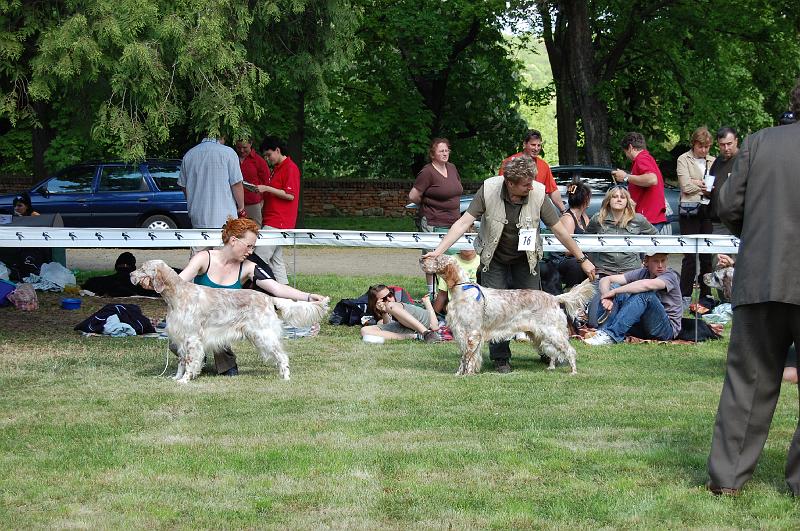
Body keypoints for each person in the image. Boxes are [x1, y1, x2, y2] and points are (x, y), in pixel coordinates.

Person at [706, 78, 800, 497]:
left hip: (760, 274)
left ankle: (727, 480)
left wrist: (758, 236)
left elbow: (726, 205)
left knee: (748, 379)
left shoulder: (760, 142)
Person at [423, 155, 596, 373]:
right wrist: (437, 253)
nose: (531, 186)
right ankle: (501, 358)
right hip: (494, 258)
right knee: (493, 310)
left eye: (532, 181)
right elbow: (463, 223)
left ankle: (548, 352)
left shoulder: (539, 194)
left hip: (526, 259)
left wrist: (582, 258)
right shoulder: (488, 190)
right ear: (510, 183)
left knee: (536, 306)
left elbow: (559, 230)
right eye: (526, 184)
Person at [177, 217, 325, 376]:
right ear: (233, 240)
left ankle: (224, 361)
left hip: (226, 325)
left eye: (253, 247)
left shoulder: (248, 267)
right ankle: (198, 357)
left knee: (229, 364)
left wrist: (307, 297)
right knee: (176, 340)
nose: (251, 251)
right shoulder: (204, 258)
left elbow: (276, 288)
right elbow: (177, 283)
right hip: (198, 321)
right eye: (249, 246)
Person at [584, 252, 682, 345]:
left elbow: (646, 285)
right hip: (643, 325)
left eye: (663, 260)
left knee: (644, 295)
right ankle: (603, 332)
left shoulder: (670, 276)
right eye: (656, 261)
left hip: (666, 330)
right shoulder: (643, 272)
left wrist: (614, 292)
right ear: (646, 262)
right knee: (616, 289)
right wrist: (607, 296)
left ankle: (612, 335)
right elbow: (606, 279)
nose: (660, 265)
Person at [408, 138, 464, 296]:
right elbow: (413, 196)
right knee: (432, 259)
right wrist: (426, 203)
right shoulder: (427, 172)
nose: (445, 153)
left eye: (447, 150)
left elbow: (457, 189)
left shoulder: (452, 168)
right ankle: (432, 294)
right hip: (433, 221)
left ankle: (451, 292)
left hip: (454, 222)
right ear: (433, 154)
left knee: (452, 259)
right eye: (441, 151)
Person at [676, 126, 716, 307]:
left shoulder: (713, 161)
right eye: (701, 146)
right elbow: (685, 186)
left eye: (707, 147)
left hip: (707, 211)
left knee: (707, 256)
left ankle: (706, 295)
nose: (704, 150)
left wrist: (695, 183)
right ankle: (685, 295)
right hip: (689, 211)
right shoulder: (683, 159)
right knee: (690, 256)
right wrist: (702, 185)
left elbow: (717, 186)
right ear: (694, 144)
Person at [178, 136, 245, 237]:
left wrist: (193, 201)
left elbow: (183, 185)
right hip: (225, 218)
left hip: (198, 217)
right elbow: (236, 183)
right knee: (223, 251)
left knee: (200, 252)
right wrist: (241, 206)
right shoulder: (228, 153)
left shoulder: (189, 154)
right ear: (222, 136)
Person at [255, 136, 300, 285]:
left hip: (278, 221)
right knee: (276, 261)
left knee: (258, 259)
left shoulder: (290, 167)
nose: (267, 159)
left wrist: (267, 188)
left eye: (269, 155)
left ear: (278, 150)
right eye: (265, 156)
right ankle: (285, 295)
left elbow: (290, 195)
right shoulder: (277, 169)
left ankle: (261, 290)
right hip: (272, 219)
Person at [586, 185, 658, 276]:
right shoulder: (598, 218)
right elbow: (586, 240)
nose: (619, 199)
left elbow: (656, 236)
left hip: (632, 270)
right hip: (604, 270)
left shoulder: (638, 219)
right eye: (615, 196)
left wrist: (647, 259)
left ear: (627, 201)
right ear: (608, 200)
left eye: (623, 197)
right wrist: (592, 261)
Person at [611, 132, 670, 234]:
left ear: (630, 147)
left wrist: (625, 177)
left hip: (648, 219)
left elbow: (652, 179)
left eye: (625, 151)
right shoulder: (647, 158)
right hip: (651, 217)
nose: (626, 155)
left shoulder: (641, 159)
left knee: (641, 249)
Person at [498, 129, 565, 212]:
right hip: (512, 209)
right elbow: (500, 188)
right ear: (524, 144)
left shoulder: (543, 166)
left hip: (536, 211)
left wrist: (564, 210)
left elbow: (552, 191)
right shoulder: (509, 163)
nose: (536, 148)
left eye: (539, 145)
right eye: (533, 145)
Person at [360, 285, 440, 343]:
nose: (389, 299)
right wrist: (384, 312)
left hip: (423, 323)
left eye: (390, 295)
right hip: (409, 329)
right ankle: (416, 337)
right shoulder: (385, 312)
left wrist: (427, 303)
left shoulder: (398, 305)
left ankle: (426, 333)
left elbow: (434, 325)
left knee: (391, 305)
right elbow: (390, 326)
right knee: (364, 330)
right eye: (384, 299)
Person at [553, 180, 592, 289]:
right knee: (577, 265)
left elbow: (590, 236)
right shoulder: (568, 219)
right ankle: (573, 291)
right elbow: (567, 250)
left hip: (579, 255)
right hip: (563, 259)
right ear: (585, 200)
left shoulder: (584, 216)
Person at [708, 127, 739, 235]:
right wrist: (707, 190)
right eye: (722, 144)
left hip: (739, 222)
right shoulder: (717, 161)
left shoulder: (744, 161)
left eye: (729, 143)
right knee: (720, 252)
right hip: (718, 222)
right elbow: (710, 186)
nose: (726, 148)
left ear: (736, 141)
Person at [432, 248, 480, 314]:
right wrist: (433, 316)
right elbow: (442, 294)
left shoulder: (483, 261)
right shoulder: (451, 262)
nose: (467, 247)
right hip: (455, 309)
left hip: (477, 307)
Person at [236, 139, 270, 228]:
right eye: (239, 148)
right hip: (234, 203)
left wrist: (262, 200)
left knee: (255, 229)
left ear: (251, 143)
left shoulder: (259, 161)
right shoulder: (232, 158)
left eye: (244, 147)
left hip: (253, 203)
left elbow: (266, 182)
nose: (242, 150)